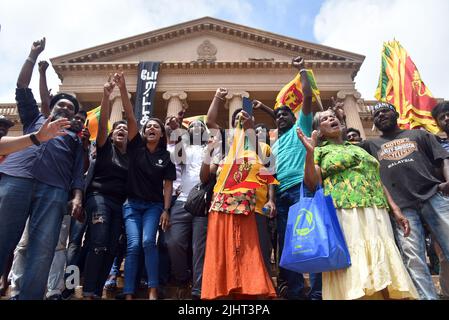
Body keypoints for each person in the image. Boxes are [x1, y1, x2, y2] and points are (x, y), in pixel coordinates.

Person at [296, 109, 418, 300]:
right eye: (325, 119)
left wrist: (395, 209)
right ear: (319, 131)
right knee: (356, 262)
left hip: (376, 208)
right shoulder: (320, 151)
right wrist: (310, 154)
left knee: (383, 263)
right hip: (345, 210)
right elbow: (312, 183)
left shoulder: (358, 148)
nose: (332, 119)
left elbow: (376, 179)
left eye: (333, 116)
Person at [0, 37, 85, 300]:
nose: (66, 108)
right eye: (62, 104)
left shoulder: (75, 140)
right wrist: (32, 56)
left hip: (54, 190)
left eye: (71, 108)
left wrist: (77, 197)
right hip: (16, 180)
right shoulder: (34, 119)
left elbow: (77, 173)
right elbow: (22, 86)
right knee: (2, 237)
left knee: (43, 250)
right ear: (51, 106)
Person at [359, 102, 449, 300]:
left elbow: (442, 158)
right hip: (401, 208)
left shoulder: (419, 135)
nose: (381, 115)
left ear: (397, 114)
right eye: (377, 114)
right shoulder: (370, 145)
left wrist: (448, 181)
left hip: (433, 196)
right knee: (413, 259)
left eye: (385, 111)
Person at [254, 56, 322, 300]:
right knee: (287, 244)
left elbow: (307, 97)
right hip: (281, 195)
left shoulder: (299, 128)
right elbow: (270, 175)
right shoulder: (273, 144)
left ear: (294, 118)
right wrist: (271, 200)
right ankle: (294, 292)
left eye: (286, 114)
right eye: (278, 115)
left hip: (303, 188)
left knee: (310, 238)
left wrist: (302, 70)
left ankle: (316, 292)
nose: (281, 116)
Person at [200, 87, 277, 299]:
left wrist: (250, 126)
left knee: (249, 253)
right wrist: (216, 97)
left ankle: (251, 295)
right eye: (236, 120)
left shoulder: (257, 146)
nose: (239, 121)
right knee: (223, 254)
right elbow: (210, 122)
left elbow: (268, 170)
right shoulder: (226, 143)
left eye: (243, 118)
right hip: (221, 204)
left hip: (249, 206)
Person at [121, 72, 175, 300]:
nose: (151, 128)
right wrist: (123, 88)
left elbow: (168, 186)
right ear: (144, 133)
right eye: (148, 126)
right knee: (133, 246)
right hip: (132, 206)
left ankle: (153, 288)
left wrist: (166, 209)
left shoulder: (166, 156)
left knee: (147, 242)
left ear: (162, 134)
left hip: (153, 206)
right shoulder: (135, 149)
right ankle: (129, 291)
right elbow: (131, 116)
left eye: (156, 126)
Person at [82, 74, 130, 299]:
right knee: (98, 243)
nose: (121, 130)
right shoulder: (104, 147)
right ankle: (89, 289)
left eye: (125, 129)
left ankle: (97, 290)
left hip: (118, 204)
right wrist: (106, 95)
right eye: (117, 129)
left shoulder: (130, 157)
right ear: (111, 135)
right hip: (98, 197)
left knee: (110, 247)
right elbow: (102, 125)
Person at [165, 119, 209, 299]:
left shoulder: (212, 147)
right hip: (182, 201)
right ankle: (183, 279)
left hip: (203, 202)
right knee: (173, 242)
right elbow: (177, 157)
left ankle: (198, 290)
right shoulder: (184, 147)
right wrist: (178, 130)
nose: (195, 128)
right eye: (191, 126)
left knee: (199, 248)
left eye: (199, 126)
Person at [429, 101, 449, 298]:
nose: (446, 119)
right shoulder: (439, 144)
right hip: (444, 202)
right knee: (445, 254)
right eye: (442, 117)